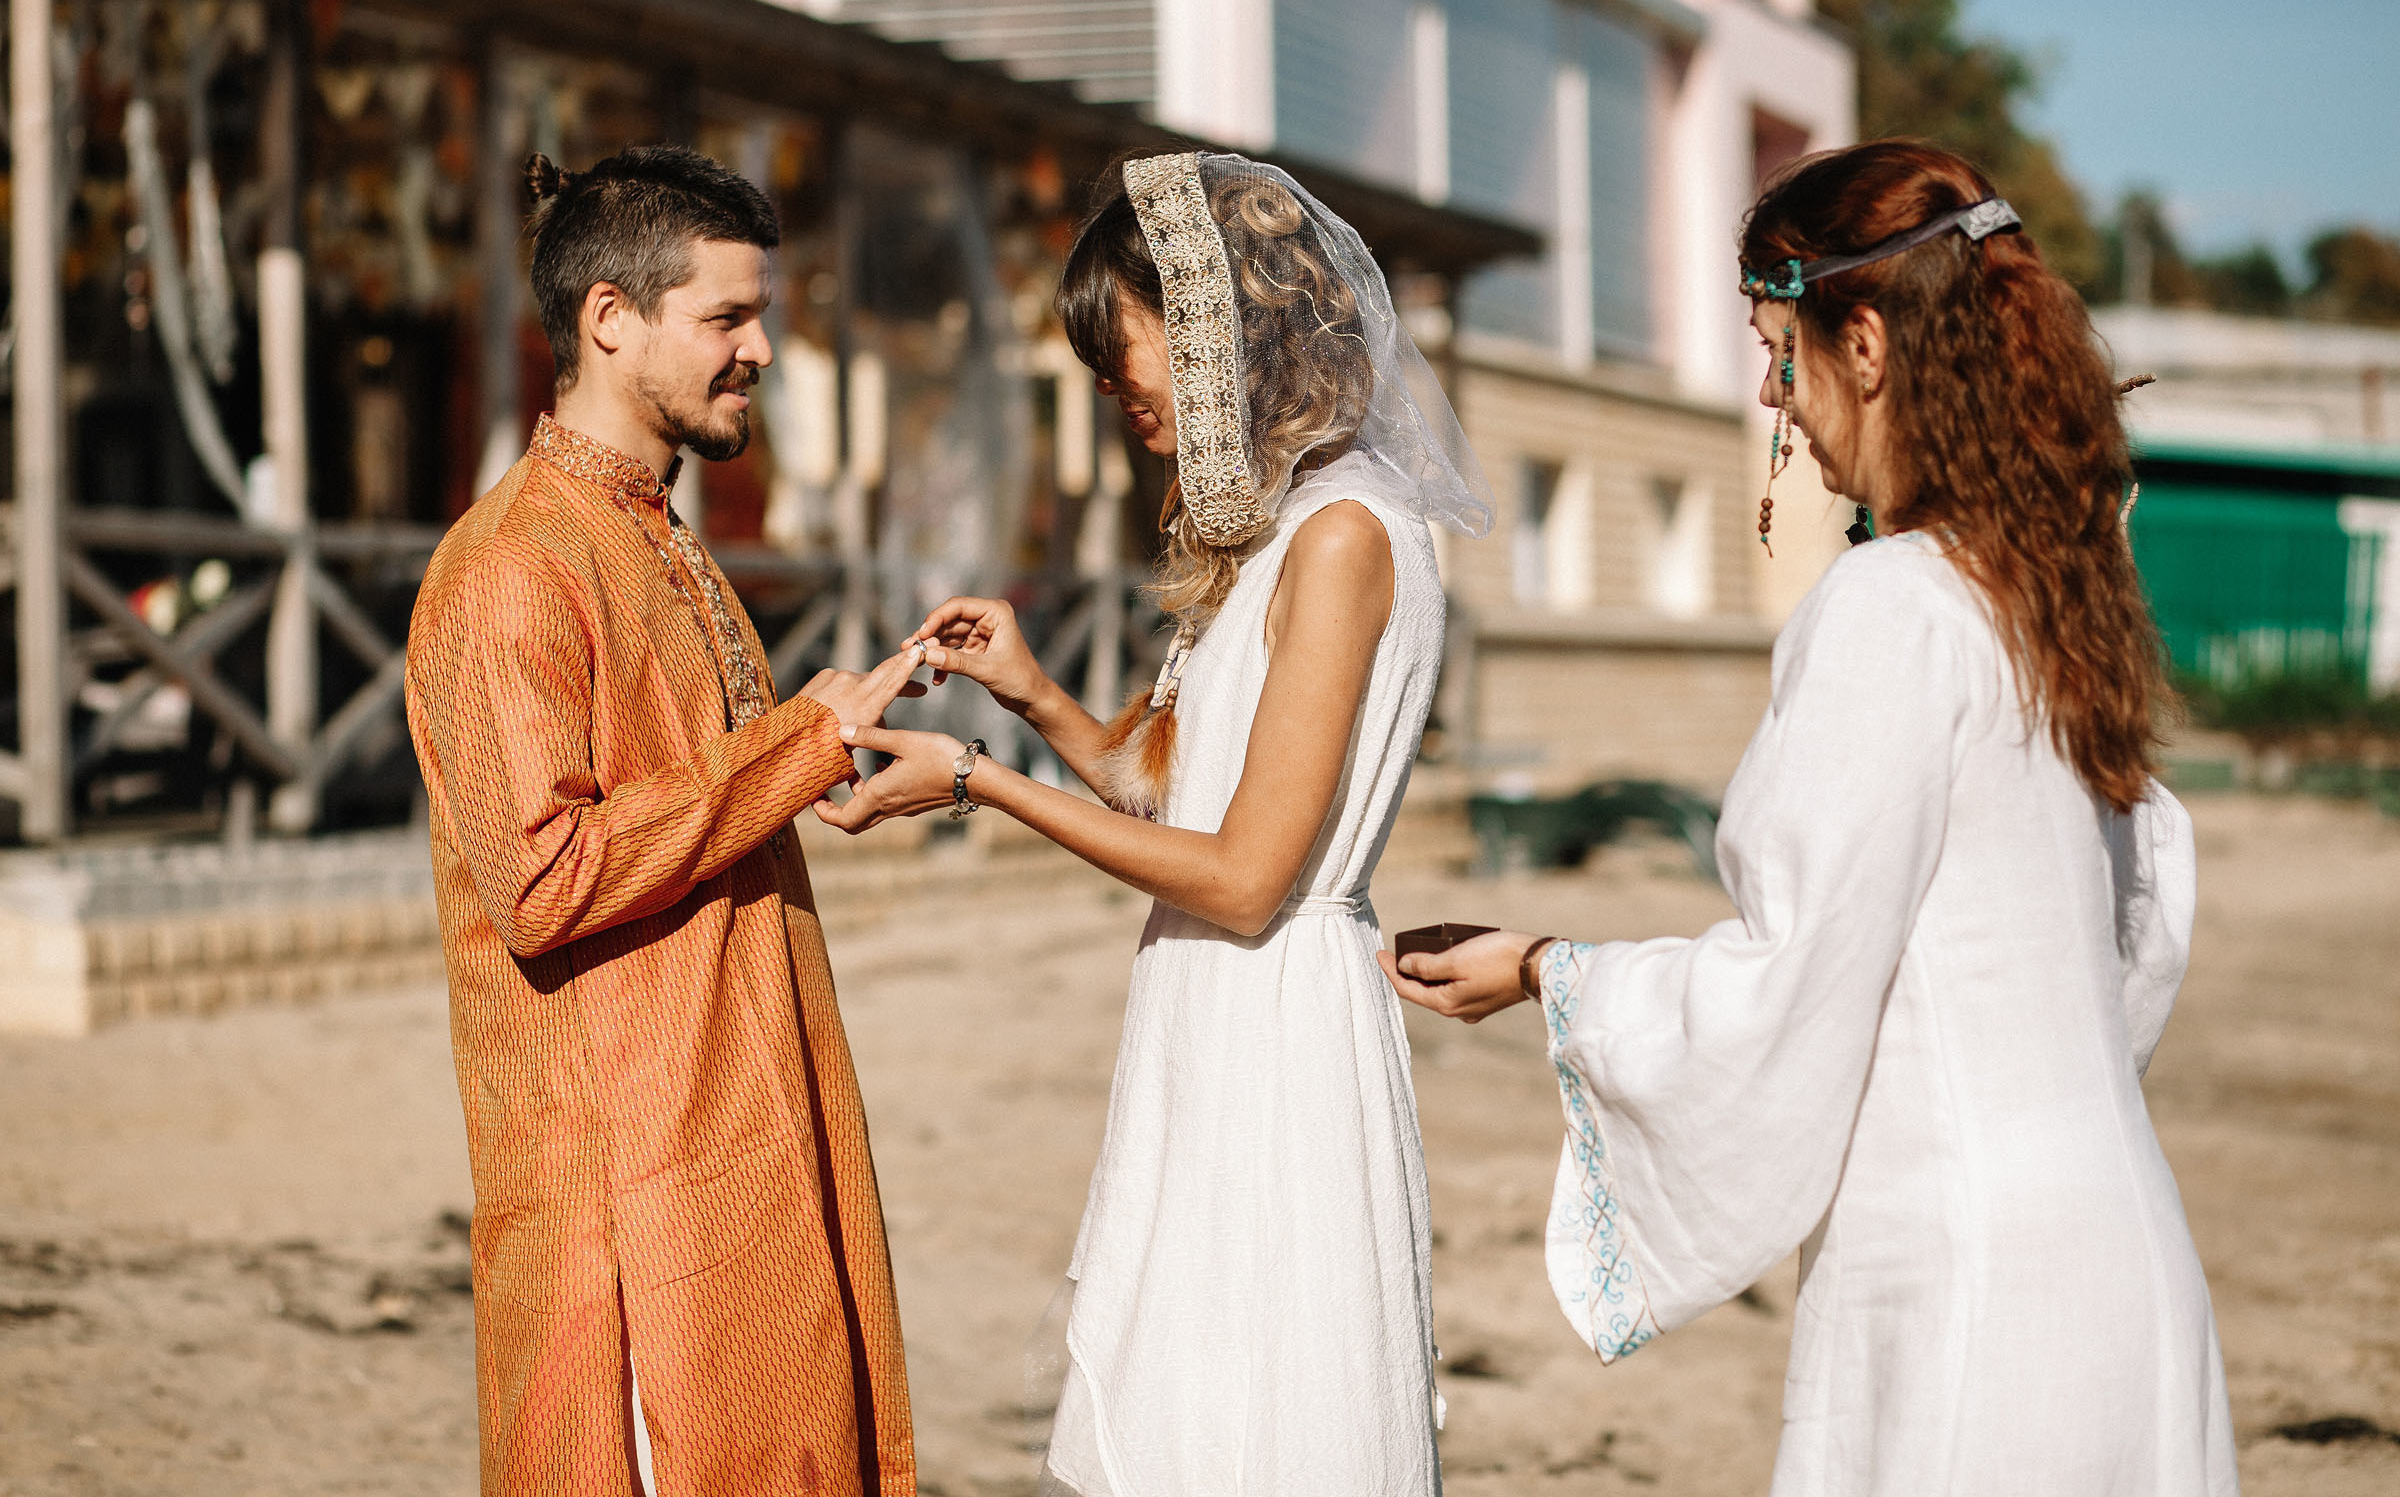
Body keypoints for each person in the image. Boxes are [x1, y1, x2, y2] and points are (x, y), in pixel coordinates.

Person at [1382, 139, 2238, 1495]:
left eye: (1779, 348)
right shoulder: (2044, 600)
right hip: (2122, 1249)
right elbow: (2136, 937)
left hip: (1970, 1283)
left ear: (1873, 343)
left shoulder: (1894, 607)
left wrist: (1549, 974)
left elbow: (1793, 984)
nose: (1777, 396)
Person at [815, 151, 1492, 1495]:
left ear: (1216, 329)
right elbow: (1173, 792)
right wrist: (1034, 699)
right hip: (1211, 1020)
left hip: (1274, 1022)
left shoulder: (1348, 534)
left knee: (1258, 1424)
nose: (1115, 387)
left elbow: (1244, 878)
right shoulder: (1284, 526)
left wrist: (978, 784)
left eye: (1121, 348)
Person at [405, 145, 927, 1497]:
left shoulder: (659, 534)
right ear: (609, 320)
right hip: (625, 1190)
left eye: (761, 318)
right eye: (726, 319)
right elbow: (546, 881)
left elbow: (707, 796)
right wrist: (799, 746)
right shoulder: (513, 566)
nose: (759, 350)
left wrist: (826, 762)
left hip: (742, 1127)